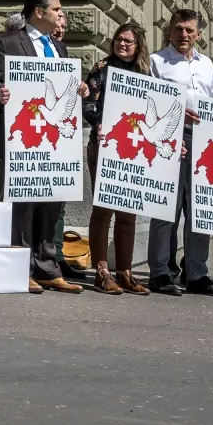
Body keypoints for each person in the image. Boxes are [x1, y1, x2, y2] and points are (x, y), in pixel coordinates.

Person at [0, 0, 89, 294]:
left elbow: (60, 91)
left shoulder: (59, 48)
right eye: (56, 9)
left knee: (50, 203)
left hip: (54, 142)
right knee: (21, 207)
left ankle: (47, 268)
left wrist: (79, 88)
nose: (61, 14)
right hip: (23, 140)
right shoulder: (9, 43)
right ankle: (18, 269)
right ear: (38, 12)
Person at [148, 8, 213, 297]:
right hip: (171, 136)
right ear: (170, 32)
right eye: (178, 29)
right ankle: (160, 272)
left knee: (201, 208)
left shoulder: (207, 64)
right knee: (165, 208)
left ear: (199, 34)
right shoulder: (157, 61)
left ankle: (196, 273)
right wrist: (178, 116)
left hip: (206, 140)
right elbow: (151, 104)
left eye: (189, 30)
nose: (183, 35)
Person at [83, 22, 151, 295]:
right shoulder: (102, 68)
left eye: (128, 41)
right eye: (119, 40)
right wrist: (98, 123)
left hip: (134, 150)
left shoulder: (147, 73)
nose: (122, 44)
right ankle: (101, 271)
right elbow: (89, 103)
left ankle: (125, 271)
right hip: (104, 147)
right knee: (103, 210)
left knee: (128, 212)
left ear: (138, 45)